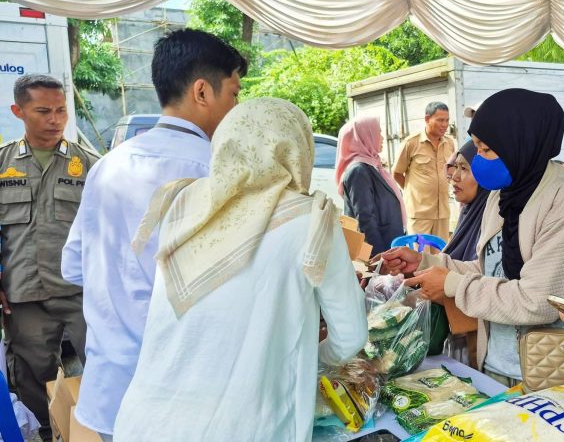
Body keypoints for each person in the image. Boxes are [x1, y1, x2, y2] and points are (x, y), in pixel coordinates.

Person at [113, 98, 368, 441]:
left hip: (144, 423)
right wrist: (309, 359)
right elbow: (350, 336)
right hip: (245, 428)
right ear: (297, 149)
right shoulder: (312, 218)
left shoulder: (183, 201)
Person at [61, 29, 247, 440]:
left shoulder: (105, 167)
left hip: (112, 389)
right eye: (234, 94)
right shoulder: (217, 172)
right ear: (202, 91)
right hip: (188, 395)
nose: (237, 108)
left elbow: (73, 267)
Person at [382, 89, 564, 386]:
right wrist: (425, 262)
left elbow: (537, 301)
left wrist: (451, 284)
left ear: (519, 143)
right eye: (477, 148)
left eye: (486, 150)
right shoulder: (504, 193)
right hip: (498, 364)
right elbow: (489, 270)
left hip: (552, 375)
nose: (478, 161)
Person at [0, 74, 100, 439]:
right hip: (23, 295)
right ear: (18, 111)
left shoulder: (91, 165)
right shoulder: (2, 164)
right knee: (30, 373)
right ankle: (50, 430)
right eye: (43, 111)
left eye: (61, 110)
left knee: (104, 364)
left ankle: (98, 429)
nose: (56, 119)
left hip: (80, 292)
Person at [434, 140, 490, 367]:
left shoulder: (491, 217)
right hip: (459, 333)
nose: (455, 177)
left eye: (465, 169)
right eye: (454, 168)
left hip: (478, 339)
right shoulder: (469, 212)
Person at [336, 117, 405, 254]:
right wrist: (380, 257)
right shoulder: (358, 171)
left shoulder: (373, 166)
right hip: (378, 251)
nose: (382, 137)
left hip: (389, 245)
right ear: (365, 137)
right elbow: (365, 220)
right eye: (378, 132)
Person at [393, 102, 455, 240]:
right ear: (427, 119)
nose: (444, 125)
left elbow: (452, 171)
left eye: (447, 120)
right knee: (419, 256)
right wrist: (414, 192)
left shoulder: (449, 143)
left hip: (443, 213)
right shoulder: (411, 143)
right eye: (440, 120)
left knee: (440, 255)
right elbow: (397, 173)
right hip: (419, 213)